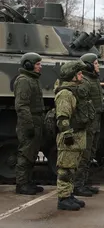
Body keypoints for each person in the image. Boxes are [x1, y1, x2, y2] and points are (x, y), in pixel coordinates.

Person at [54, 60, 95, 211]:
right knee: (65, 168)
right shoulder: (65, 93)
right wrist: (67, 135)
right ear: (71, 76)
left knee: (72, 168)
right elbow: (62, 118)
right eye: (78, 73)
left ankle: (69, 194)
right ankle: (63, 198)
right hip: (70, 137)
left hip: (78, 135)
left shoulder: (75, 91)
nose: (81, 76)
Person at [74, 53, 104, 196]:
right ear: (89, 65)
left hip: (95, 121)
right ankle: (78, 185)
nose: (98, 66)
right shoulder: (85, 82)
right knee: (84, 154)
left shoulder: (93, 80)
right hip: (89, 122)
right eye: (96, 63)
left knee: (91, 152)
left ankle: (84, 182)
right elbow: (80, 104)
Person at [14, 52, 45, 195]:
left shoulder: (33, 79)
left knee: (32, 153)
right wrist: (29, 125)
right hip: (29, 121)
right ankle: (21, 184)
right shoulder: (24, 80)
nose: (40, 67)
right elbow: (22, 106)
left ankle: (28, 181)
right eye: (38, 64)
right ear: (28, 65)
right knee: (25, 153)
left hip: (36, 120)